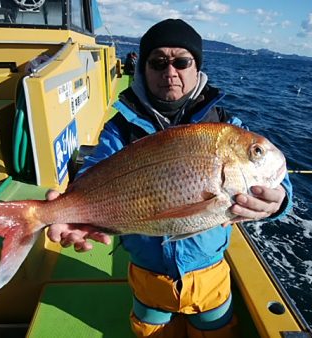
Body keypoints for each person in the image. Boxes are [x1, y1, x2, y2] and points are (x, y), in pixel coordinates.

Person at [47, 18, 293, 338]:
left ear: (197, 68)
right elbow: (95, 169)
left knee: (216, 330)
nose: (170, 72)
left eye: (181, 61)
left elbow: (275, 179)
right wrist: (67, 209)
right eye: (158, 62)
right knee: (151, 330)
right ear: (143, 68)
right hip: (148, 274)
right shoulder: (120, 129)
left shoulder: (226, 127)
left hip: (210, 272)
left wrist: (280, 200)